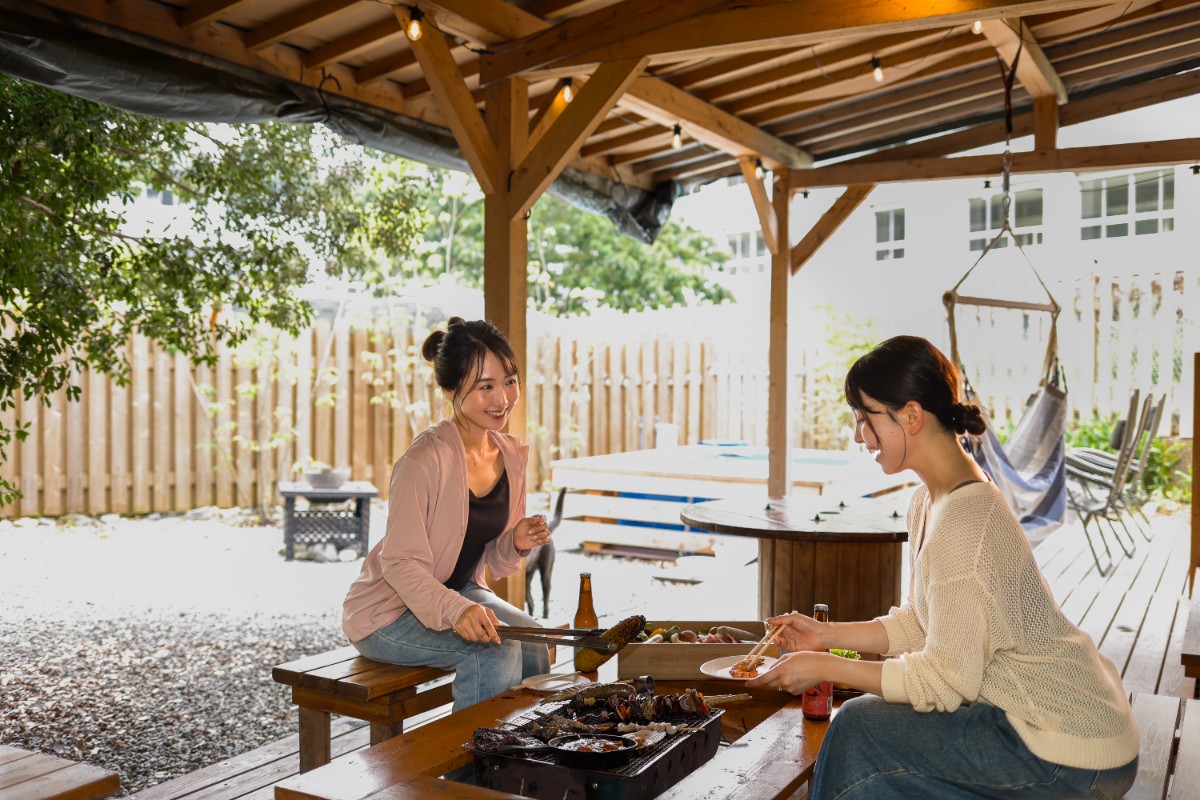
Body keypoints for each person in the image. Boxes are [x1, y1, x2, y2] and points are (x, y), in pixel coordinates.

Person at [747, 335, 1138, 799]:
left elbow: (945, 681)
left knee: (858, 728)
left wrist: (824, 665)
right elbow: (922, 622)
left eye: (866, 418)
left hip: (1068, 750)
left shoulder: (965, 521)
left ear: (912, 416)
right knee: (864, 735)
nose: (858, 435)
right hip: (1035, 722)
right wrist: (823, 635)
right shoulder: (930, 501)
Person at [342, 317, 551, 710]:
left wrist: (514, 541)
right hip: (387, 612)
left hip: (458, 591)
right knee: (494, 650)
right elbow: (398, 564)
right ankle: (474, 751)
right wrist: (458, 610)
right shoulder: (423, 460)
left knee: (533, 636)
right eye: (485, 387)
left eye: (509, 381)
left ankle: (527, 740)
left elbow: (494, 560)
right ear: (451, 390)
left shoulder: (511, 455)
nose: (502, 398)